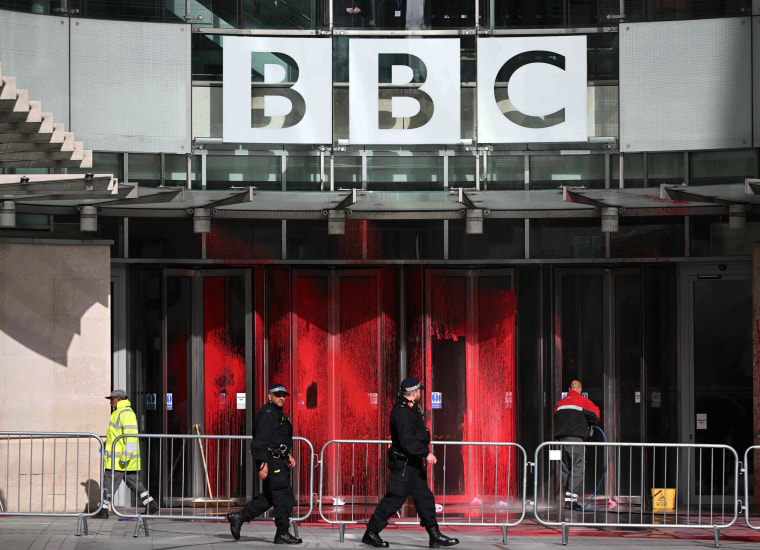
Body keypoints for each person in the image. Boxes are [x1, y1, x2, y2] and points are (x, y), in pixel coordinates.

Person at [362, 377, 459, 549]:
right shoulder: (401, 412)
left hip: (413, 465)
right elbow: (407, 440)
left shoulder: (411, 409)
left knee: (425, 498)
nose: (420, 393)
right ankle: (371, 532)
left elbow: (417, 434)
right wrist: (426, 453)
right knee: (394, 499)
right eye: (419, 391)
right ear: (414, 393)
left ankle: (434, 534)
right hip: (404, 465)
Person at [227, 383, 302, 545]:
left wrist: (287, 454)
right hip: (271, 462)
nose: (281, 398)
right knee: (283, 496)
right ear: (269, 396)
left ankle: (239, 517)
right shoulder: (267, 414)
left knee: (269, 497)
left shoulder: (275, 412)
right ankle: (282, 532)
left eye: (283, 395)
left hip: (277, 459)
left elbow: (276, 438)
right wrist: (263, 463)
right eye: (278, 395)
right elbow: (260, 441)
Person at [97, 389, 159, 518]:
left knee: (109, 483)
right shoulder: (120, 413)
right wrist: (104, 445)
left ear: (118, 399)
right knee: (134, 483)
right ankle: (151, 503)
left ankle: (102, 510)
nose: (110, 403)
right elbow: (116, 436)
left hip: (120, 460)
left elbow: (130, 438)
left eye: (111, 399)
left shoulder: (125, 413)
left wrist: (124, 458)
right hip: (122, 458)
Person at [553, 380, 600, 512]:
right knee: (577, 467)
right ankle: (572, 501)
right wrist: (589, 423)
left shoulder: (560, 403)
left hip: (561, 440)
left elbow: (555, 416)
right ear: (580, 390)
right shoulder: (583, 401)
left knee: (565, 468)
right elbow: (596, 415)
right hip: (575, 439)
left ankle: (568, 500)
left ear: (569, 389)